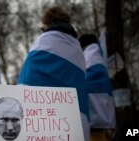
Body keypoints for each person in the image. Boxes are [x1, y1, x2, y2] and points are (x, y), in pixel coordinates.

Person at [18, 6, 90, 141]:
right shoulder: (77, 49)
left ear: (48, 24)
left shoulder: (42, 42)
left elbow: (28, 79)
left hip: (41, 122)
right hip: (72, 124)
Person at [79, 34, 116, 141]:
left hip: (92, 118)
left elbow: (85, 83)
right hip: (102, 116)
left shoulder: (89, 58)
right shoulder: (99, 57)